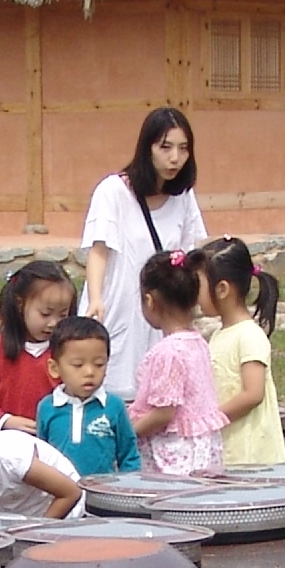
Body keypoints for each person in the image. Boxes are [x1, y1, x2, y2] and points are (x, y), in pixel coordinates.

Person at [78, 107, 206, 399]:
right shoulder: (113, 191)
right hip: (120, 304)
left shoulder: (183, 196)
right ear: (147, 147)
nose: (175, 157)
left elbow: (190, 251)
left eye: (183, 149)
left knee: (160, 394)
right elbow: (99, 250)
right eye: (166, 147)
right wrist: (96, 298)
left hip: (163, 309)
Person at [128, 248, 225, 477]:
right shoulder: (197, 342)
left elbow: (164, 413)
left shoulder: (167, 352)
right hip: (200, 453)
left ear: (149, 301)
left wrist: (128, 435)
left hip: (175, 458)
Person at [199, 237, 285, 466]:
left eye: (198, 286)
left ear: (222, 289)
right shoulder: (219, 334)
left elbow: (253, 393)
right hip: (230, 452)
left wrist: (210, 420)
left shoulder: (249, 335)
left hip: (251, 457)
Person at [0, 259, 73, 430]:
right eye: (45, 314)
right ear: (20, 304)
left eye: (62, 315)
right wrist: (4, 420)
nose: (53, 323)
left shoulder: (70, 348)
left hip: (60, 439)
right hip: (12, 442)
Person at [35, 318, 139, 476]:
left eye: (99, 364)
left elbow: (129, 455)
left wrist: (130, 487)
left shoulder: (114, 406)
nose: (90, 372)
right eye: (78, 365)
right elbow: (41, 456)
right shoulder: (47, 407)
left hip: (102, 494)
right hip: (61, 494)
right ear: (55, 368)